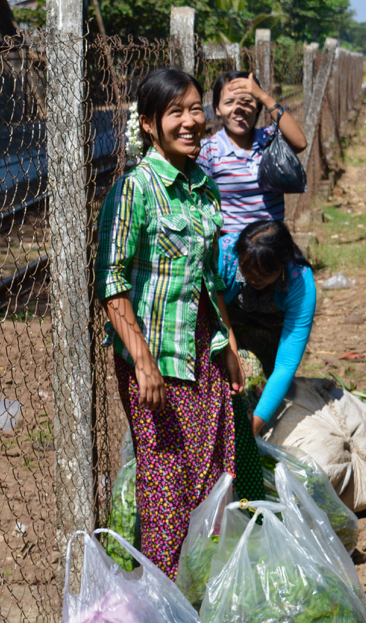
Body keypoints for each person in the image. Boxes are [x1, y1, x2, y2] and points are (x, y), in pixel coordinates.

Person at [95, 67, 263, 579]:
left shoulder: (203, 186)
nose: (191, 121)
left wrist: (229, 342)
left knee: (215, 475)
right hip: (158, 360)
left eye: (195, 109)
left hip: (204, 352)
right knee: (167, 485)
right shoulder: (134, 190)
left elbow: (211, 278)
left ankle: (203, 586)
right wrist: (142, 362)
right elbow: (111, 281)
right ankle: (161, 595)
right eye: (176, 112)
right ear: (148, 123)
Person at [218, 220, 317, 435]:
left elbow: (286, 365)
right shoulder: (226, 258)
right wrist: (229, 350)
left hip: (270, 336)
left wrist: (253, 429)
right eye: (247, 270)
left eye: (264, 274)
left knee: (253, 379)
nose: (254, 278)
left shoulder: (298, 282)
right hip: (227, 330)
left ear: (282, 264)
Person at [198, 71, 307, 234]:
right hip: (231, 247)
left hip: (271, 243)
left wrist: (263, 96)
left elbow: (300, 142)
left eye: (247, 101)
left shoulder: (270, 140)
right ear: (217, 109)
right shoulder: (209, 151)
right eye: (229, 102)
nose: (238, 109)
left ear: (258, 107)